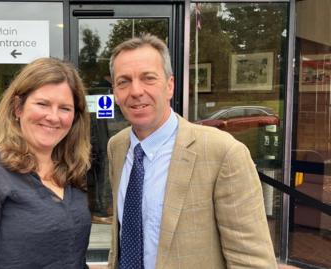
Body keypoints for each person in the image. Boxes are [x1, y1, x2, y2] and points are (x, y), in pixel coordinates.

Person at [106, 34, 277, 268]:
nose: (136, 91)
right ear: (115, 92)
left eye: (148, 78)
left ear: (169, 86)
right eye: (124, 81)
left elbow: (252, 261)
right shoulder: (116, 147)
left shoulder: (223, 153)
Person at [0, 58, 92, 269]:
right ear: (18, 107)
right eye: (43, 104)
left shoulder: (71, 172)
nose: (53, 117)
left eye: (65, 108)